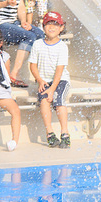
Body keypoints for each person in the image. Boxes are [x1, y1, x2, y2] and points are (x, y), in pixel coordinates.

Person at [29, 11, 71, 148]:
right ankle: (50, 133)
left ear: (61, 28)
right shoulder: (37, 44)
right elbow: (33, 65)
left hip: (61, 80)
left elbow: (59, 71)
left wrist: (52, 89)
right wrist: (40, 81)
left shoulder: (62, 47)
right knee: (44, 101)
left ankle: (65, 133)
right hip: (44, 80)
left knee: (58, 100)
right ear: (43, 26)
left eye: (55, 24)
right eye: (48, 24)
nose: (51, 27)